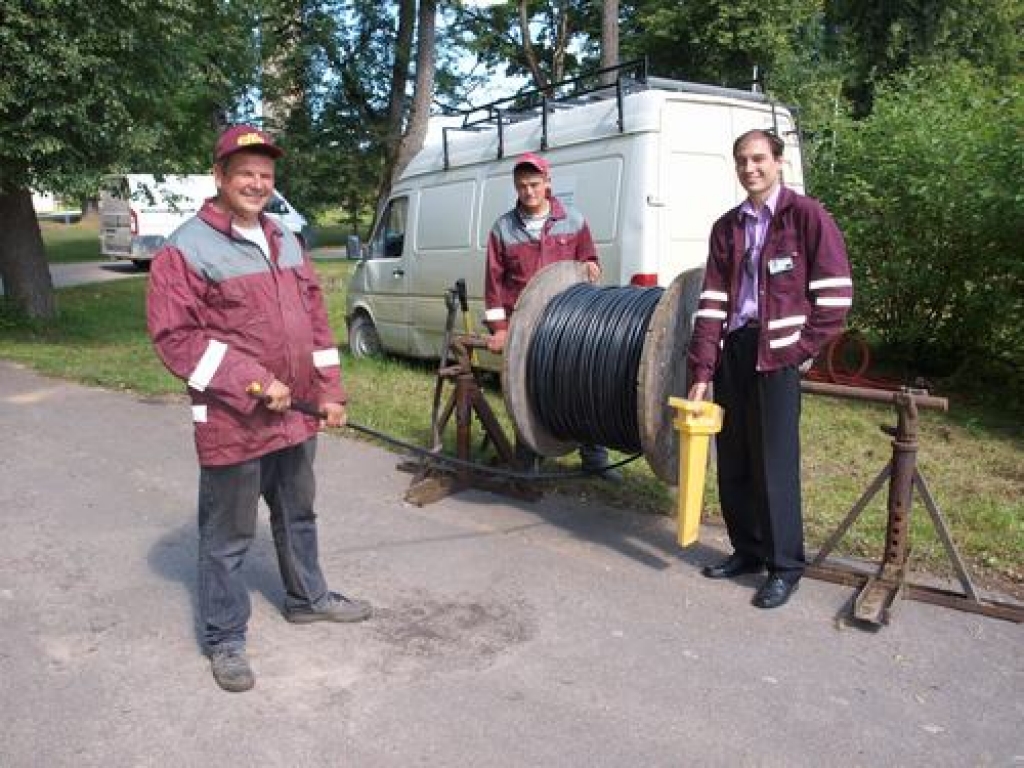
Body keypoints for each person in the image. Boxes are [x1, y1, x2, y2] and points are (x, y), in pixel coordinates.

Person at [146, 124, 371, 693]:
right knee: (227, 537)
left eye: (266, 175)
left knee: (299, 514)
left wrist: (329, 389)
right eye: (244, 172)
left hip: (297, 414)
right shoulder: (186, 248)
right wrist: (251, 382)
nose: (256, 183)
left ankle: (307, 597)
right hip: (234, 421)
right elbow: (177, 339)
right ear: (219, 177)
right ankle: (224, 638)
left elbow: (317, 324)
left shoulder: (286, 239)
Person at [686, 129, 852, 609]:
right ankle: (748, 552)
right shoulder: (727, 226)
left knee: (774, 466)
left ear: (778, 163)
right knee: (734, 459)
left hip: (777, 357)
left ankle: (785, 567)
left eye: (758, 158)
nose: (749, 168)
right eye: (741, 160)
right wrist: (702, 369)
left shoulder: (807, 217)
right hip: (734, 353)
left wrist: (800, 351)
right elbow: (712, 302)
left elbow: (836, 296)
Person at [484, 152, 620, 482]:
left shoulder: (573, 220)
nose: (528, 192)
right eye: (521, 186)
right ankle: (527, 460)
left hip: (570, 324)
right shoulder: (503, 228)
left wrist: (592, 266)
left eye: (534, 184)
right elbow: (493, 284)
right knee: (525, 391)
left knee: (584, 385)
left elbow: (589, 258)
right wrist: (500, 329)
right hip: (525, 328)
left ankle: (594, 458)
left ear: (548, 183)